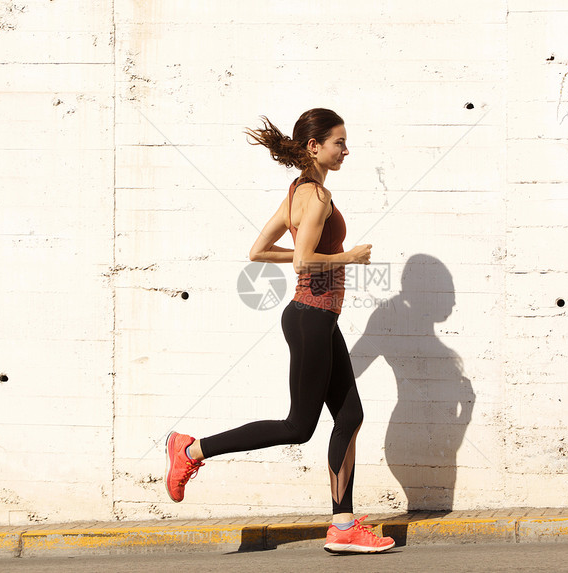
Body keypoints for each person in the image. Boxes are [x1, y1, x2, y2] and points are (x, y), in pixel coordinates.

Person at [163, 108, 394, 554]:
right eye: (338, 143)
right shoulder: (318, 198)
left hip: (317, 318)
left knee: (349, 416)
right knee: (298, 426)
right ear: (315, 146)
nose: (346, 150)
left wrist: (319, 259)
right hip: (311, 316)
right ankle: (191, 450)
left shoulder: (298, 193)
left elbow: (259, 250)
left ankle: (343, 526)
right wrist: (349, 258)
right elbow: (305, 260)